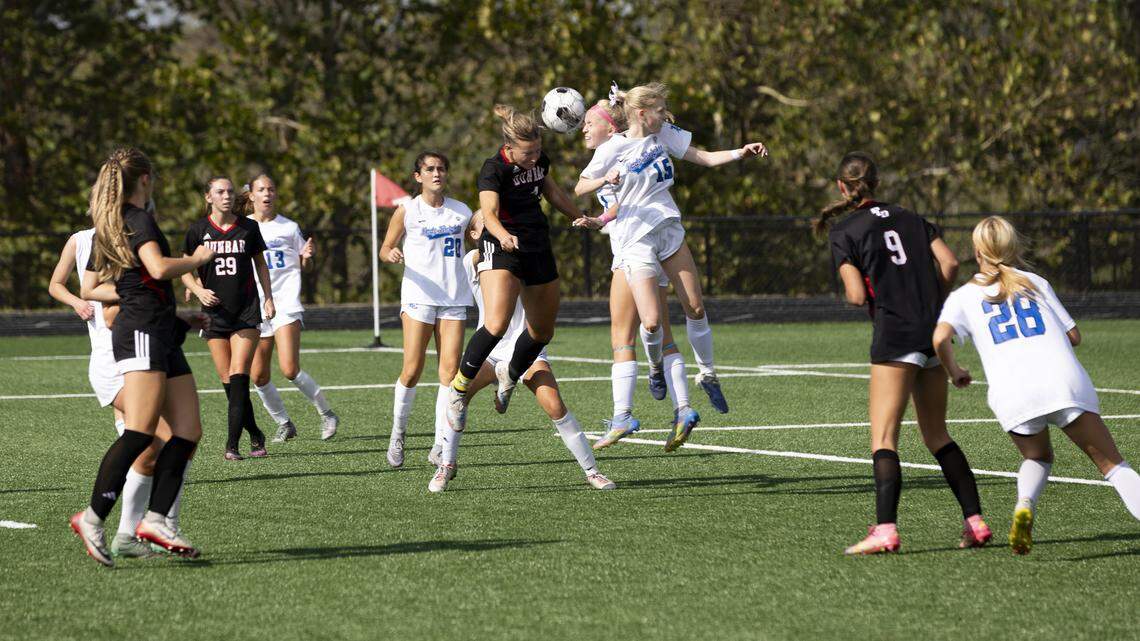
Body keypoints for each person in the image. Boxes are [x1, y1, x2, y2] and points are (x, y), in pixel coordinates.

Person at [574, 82, 767, 451]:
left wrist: (741, 152)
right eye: (660, 109)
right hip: (634, 239)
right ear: (642, 113)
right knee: (650, 323)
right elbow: (582, 187)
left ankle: (707, 375)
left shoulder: (664, 134)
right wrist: (605, 178)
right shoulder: (614, 147)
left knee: (695, 306)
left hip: (667, 228)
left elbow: (706, 158)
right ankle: (655, 369)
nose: (665, 114)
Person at [817, 151, 991, 555]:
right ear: (877, 183)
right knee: (937, 435)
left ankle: (886, 530)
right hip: (931, 332)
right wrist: (931, 300)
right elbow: (949, 263)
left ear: (841, 187)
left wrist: (867, 286)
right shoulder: (912, 217)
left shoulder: (845, 230)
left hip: (894, 335)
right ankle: (976, 522)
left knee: (883, 436)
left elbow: (857, 295)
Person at [934, 216, 1140, 554]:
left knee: (1038, 456)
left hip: (1012, 393)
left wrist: (954, 370)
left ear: (976, 251)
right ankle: (1027, 502)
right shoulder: (1034, 282)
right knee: (1114, 466)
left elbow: (939, 337)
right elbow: (1074, 336)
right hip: (1063, 382)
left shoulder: (963, 297)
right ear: (1012, 247)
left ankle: (1025, 503)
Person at [71, 147, 214, 566]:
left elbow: (90, 289)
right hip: (143, 334)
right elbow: (155, 267)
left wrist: (175, 313)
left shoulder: (113, 225)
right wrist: (196, 259)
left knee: (187, 431)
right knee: (139, 431)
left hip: (162, 330)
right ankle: (93, 517)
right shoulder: (136, 220)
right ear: (145, 180)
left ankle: (154, 520)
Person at [427, 211, 615, 493]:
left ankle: (592, 471)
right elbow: (482, 254)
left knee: (555, 406)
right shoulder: (474, 260)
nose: (500, 225)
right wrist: (499, 235)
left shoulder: (523, 254)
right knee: (459, 397)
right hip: (489, 353)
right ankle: (447, 466)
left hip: (527, 352)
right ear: (476, 235)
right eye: (488, 224)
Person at [51, 222, 203, 558]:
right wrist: (80, 301)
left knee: (160, 446)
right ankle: (149, 524)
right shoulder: (94, 240)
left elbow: (148, 289)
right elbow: (106, 309)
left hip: (145, 350)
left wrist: (176, 319)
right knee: (154, 437)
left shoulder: (133, 234)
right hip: (116, 360)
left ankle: (131, 534)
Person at [444, 104, 584, 433]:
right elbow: (488, 212)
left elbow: (552, 192)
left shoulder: (540, 162)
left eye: (538, 150)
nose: (535, 157)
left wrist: (577, 215)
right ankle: (459, 387)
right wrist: (504, 236)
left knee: (542, 331)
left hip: (536, 243)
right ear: (510, 148)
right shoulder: (493, 169)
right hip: (501, 244)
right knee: (496, 323)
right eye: (528, 152)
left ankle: (511, 372)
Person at [571, 95, 687, 450]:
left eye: (590, 121)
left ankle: (624, 414)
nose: (584, 128)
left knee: (624, 336)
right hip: (647, 241)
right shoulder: (628, 149)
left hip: (634, 248)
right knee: (659, 330)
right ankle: (682, 408)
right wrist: (600, 219)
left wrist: (602, 183)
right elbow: (622, 202)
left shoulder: (617, 149)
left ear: (610, 125)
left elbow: (580, 187)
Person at [379, 152, 473, 468]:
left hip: (454, 297)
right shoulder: (407, 210)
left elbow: (474, 238)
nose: (437, 173)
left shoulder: (462, 211)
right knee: (412, 369)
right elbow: (385, 248)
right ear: (417, 175)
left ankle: (438, 444)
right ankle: (397, 434)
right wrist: (390, 253)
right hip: (419, 296)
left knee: (449, 372)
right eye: (430, 169)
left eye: (441, 169)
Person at [182, 176, 275, 460]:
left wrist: (268, 298)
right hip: (214, 314)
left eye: (230, 191)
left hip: (246, 311)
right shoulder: (198, 230)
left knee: (239, 377)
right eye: (220, 192)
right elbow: (184, 267)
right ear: (208, 197)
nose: (226, 196)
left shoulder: (248, 227)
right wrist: (197, 289)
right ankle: (256, 434)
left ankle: (231, 445)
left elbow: (260, 264)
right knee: (229, 384)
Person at [244, 174, 339, 443]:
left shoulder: (288, 227)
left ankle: (327, 413)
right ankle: (284, 423)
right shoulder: (245, 227)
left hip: (285, 303)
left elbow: (303, 262)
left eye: (271, 189)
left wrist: (307, 258)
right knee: (258, 375)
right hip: (256, 307)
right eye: (261, 189)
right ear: (251, 195)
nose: (267, 194)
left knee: (289, 369)